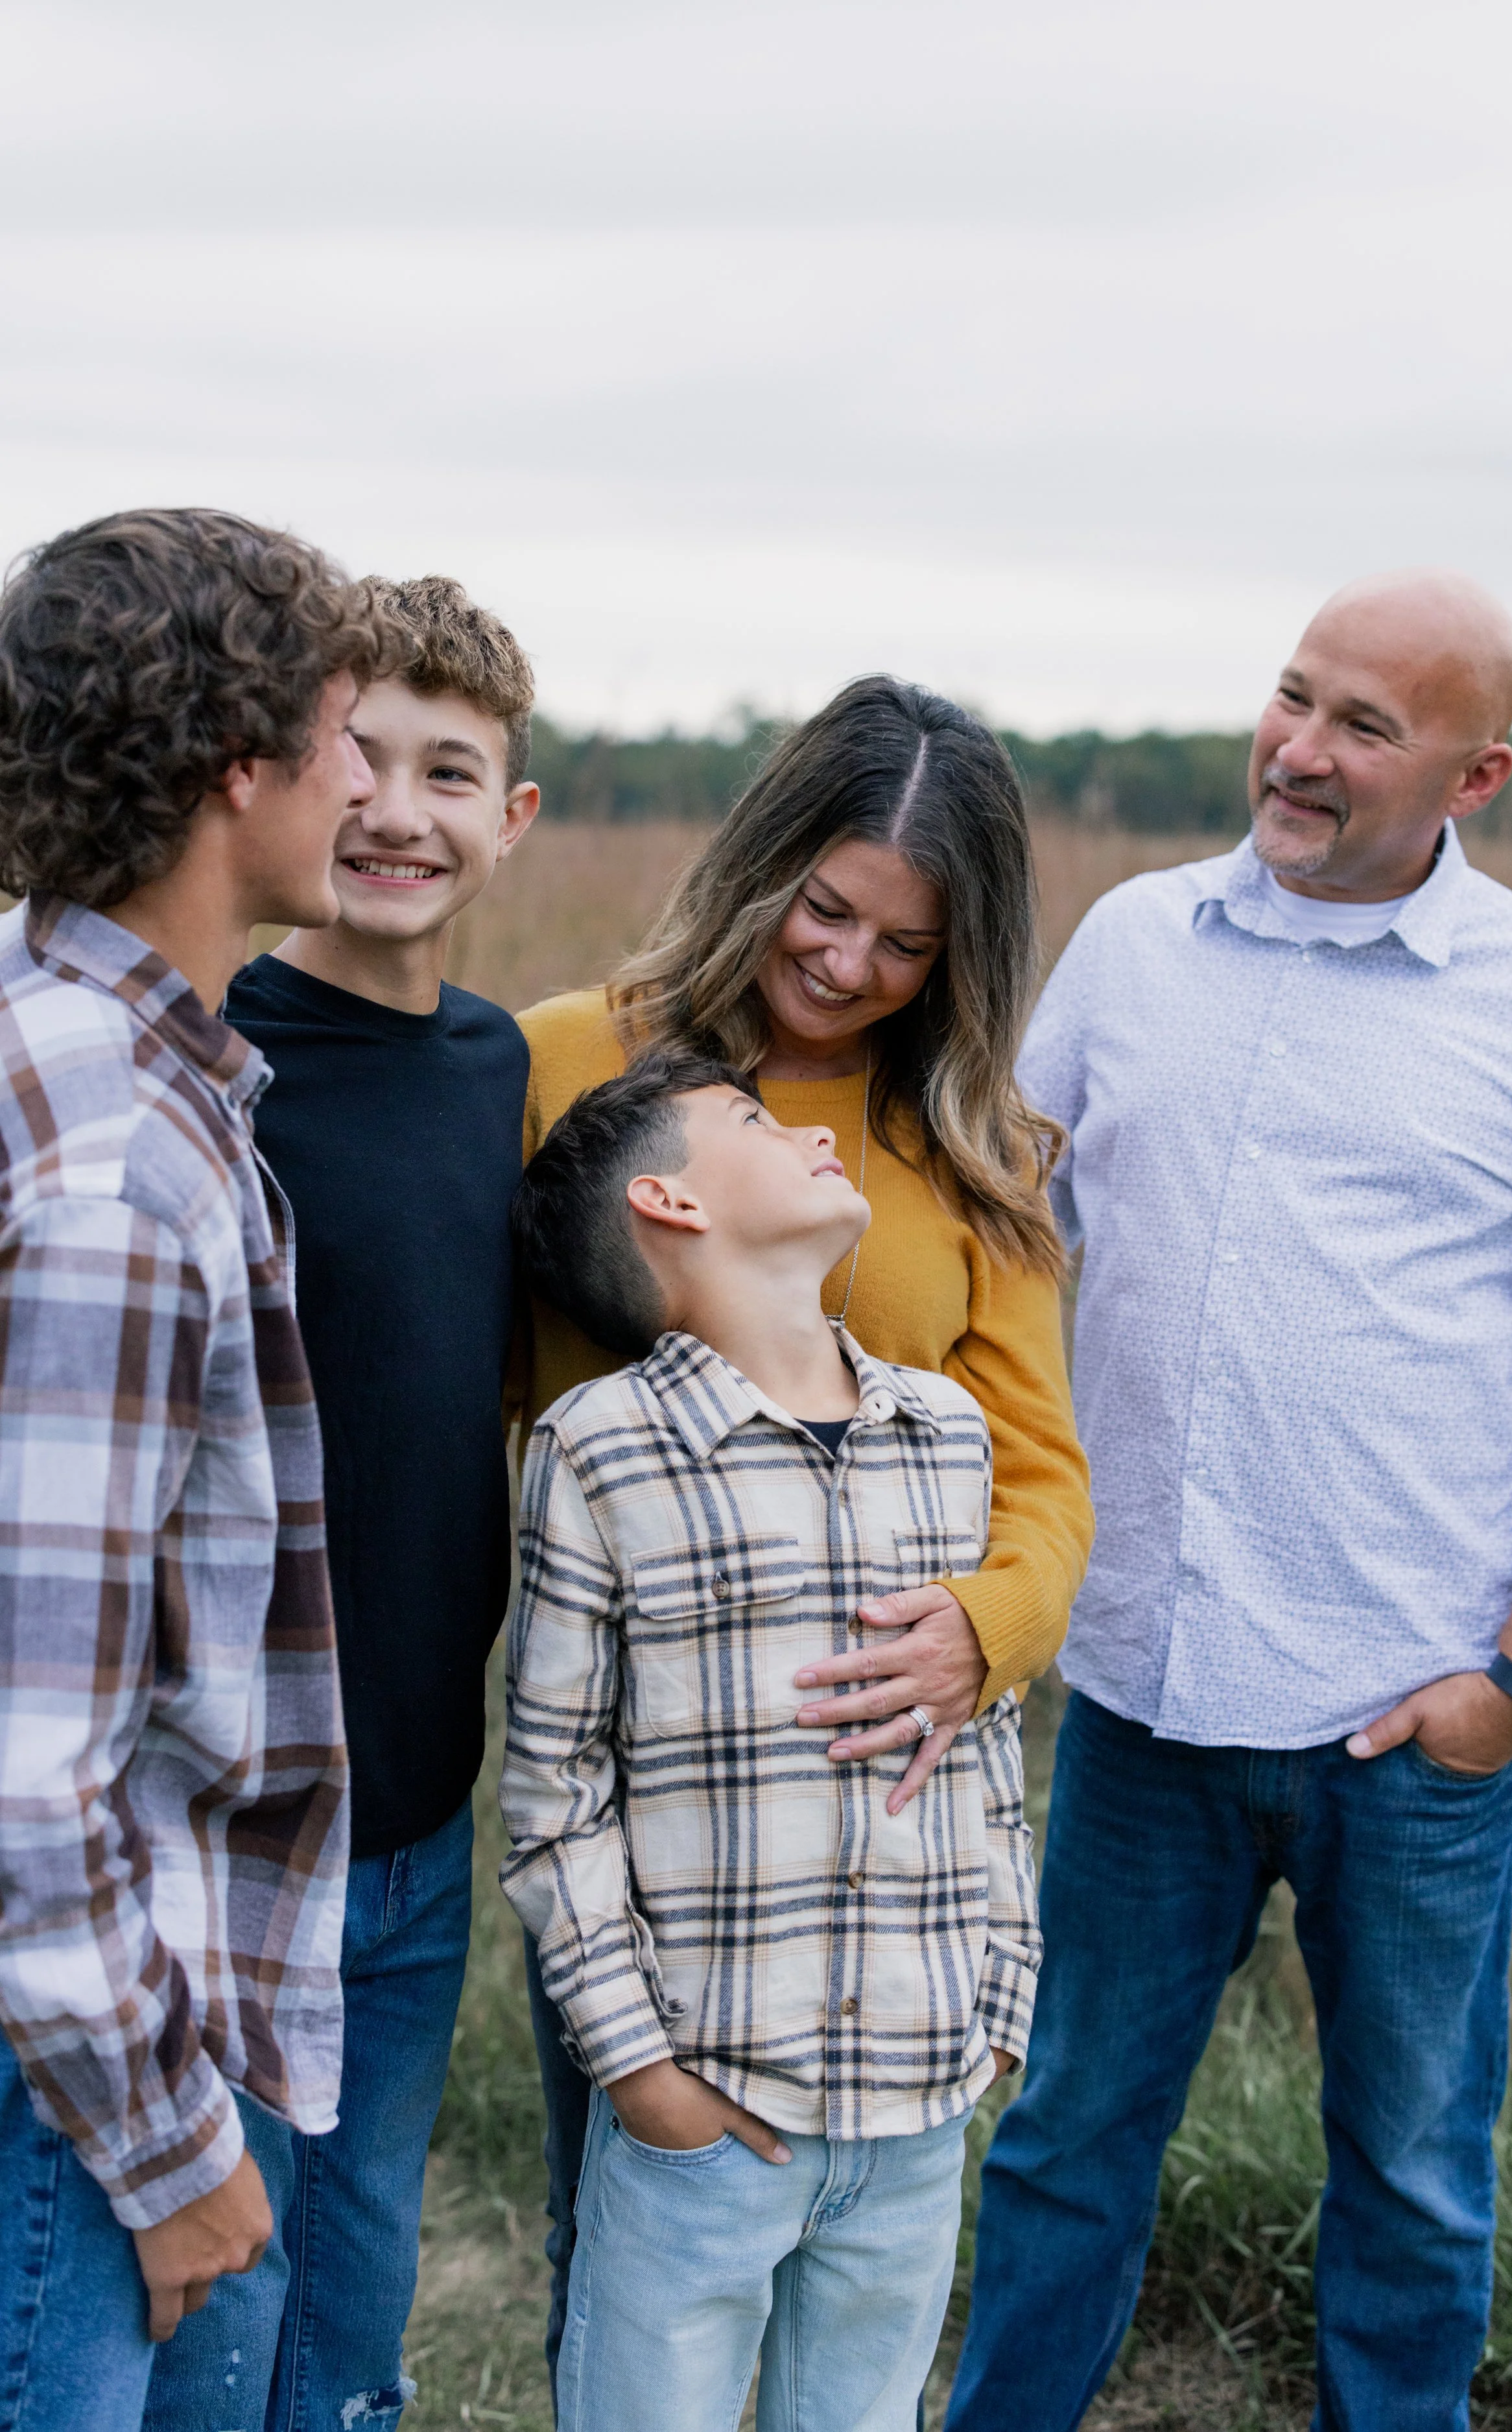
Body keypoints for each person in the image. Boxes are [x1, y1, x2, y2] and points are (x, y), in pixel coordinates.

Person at [946, 570, 1512, 2432]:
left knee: (1408, 2172)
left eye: (1359, 726)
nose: (1296, 750)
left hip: (1404, 1723)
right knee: (1067, 2132)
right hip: (1137, 1696)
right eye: (1291, 697)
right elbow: (1004, 1231)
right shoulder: (1132, 940)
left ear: (1470, 772)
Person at [513, 676, 1094, 2389]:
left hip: (892, 1830)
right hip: (670, 1816)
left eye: (904, 945)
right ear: (761, 861)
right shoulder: (568, 1060)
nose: (845, 965)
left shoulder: (970, 1152)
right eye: (823, 908)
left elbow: (1048, 1478)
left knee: (853, 2328)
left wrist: (984, 1625)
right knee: (629, 2243)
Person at [0, 508, 399, 2431]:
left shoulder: (71, 1046)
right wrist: (173, 2152)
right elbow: (29, 1758)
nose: (369, 783)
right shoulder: (123, 1174)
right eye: (342, 735)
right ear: (235, 765)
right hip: (74, 2057)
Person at [501, 1050, 1041, 2432]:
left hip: (918, 2102)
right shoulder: (598, 1452)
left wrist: (997, 2013)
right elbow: (557, 1800)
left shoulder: (946, 1433)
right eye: (750, 1118)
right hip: (710, 2107)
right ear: (669, 1202)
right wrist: (637, 2072)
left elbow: (988, 1759)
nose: (806, 1123)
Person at [142, 577, 539, 2432]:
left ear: (513, 815)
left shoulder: (503, 1067)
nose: (396, 808)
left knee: (360, 2295)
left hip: (420, 1815)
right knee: (224, 2305)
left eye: (449, 769)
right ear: (283, 777)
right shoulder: (222, 1060)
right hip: (232, 1820)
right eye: (355, 755)